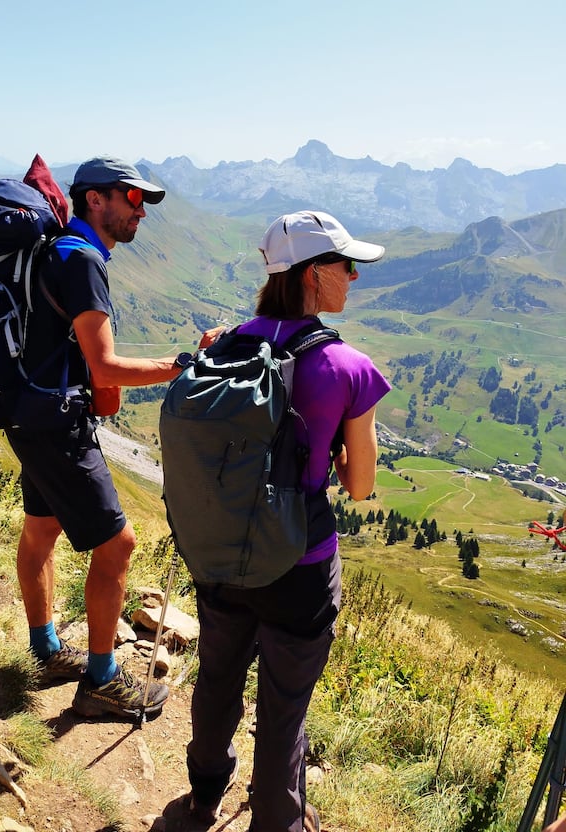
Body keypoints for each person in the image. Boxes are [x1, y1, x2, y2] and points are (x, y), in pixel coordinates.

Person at [185, 211, 392, 832]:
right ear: (310, 274)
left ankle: (202, 795)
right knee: (283, 710)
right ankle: (278, 821)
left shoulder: (225, 344)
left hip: (222, 550)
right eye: (345, 265)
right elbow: (360, 485)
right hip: (299, 563)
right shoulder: (349, 368)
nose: (354, 276)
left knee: (218, 677)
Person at [6, 155, 211, 721]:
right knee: (118, 545)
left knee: (42, 529)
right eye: (133, 198)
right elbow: (105, 367)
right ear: (95, 199)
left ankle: (46, 650)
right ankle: (101, 680)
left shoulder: (59, 250)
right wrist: (183, 363)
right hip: (56, 426)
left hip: (28, 413)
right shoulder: (82, 260)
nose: (141, 212)